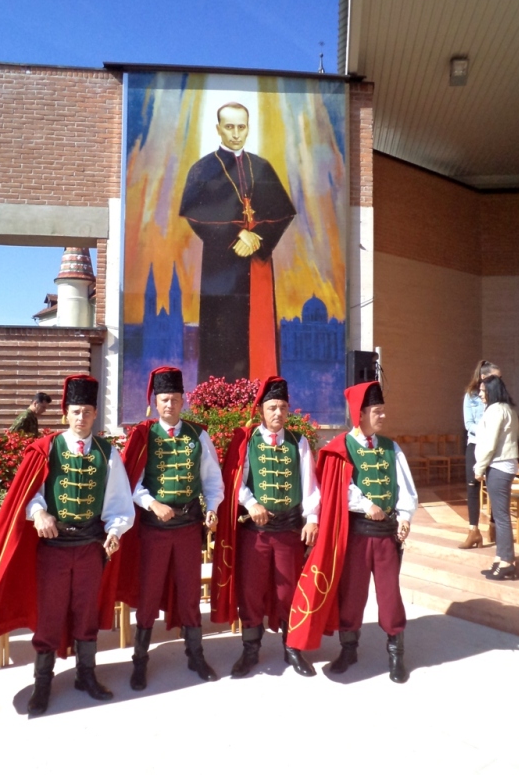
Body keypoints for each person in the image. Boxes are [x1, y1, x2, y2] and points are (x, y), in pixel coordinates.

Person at [0, 374, 135, 717]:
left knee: (86, 611)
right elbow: (28, 493)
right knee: (50, 614)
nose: (81, 418)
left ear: (95, 414)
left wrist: (115, 530)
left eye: (88, 412)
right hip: (54, 548)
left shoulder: (108, 454)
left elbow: (119, 500)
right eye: (76, 411)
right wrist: (39, 513)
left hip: (90, 547)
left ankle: (86, 676)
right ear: (66, 414)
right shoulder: (46, 448)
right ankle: (43, 683)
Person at [285, 381, 417, 684]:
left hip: (386, 536)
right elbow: (336, 488)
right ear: (361, 413)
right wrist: (366, 504)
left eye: (383, 410)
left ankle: (396, 654)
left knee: (390, 595)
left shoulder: (391, 447)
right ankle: (349, 650)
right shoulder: (339, 448)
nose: (383, 416)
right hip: (356, 535)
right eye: (377, 411)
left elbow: (405, 487)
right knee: (352, 595)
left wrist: (405, 517)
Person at [179, 102, 296, 384]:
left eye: (241, 127)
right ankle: (225, 397)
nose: (235, 133)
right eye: (229, 127)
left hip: (257, 261)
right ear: (218, 129)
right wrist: (236, 233)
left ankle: (262, 391)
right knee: (223, 333)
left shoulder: (261, 167)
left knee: (259, 330)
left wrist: (258, 237)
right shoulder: (203, 169)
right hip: (221, 267)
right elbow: (194, 213)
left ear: (248, 128)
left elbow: (283, 212)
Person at [211, 376, 320, 678]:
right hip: (255, 533)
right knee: (251, 591)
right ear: (261, 410)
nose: (278, 413)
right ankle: (250, 649)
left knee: (288, 592)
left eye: (283, 407)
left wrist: (312, 518)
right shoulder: (246, 440)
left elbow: (310, 484)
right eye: (272, 407)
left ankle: (292, 647)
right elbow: (233, 479)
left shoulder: (299, 442)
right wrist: (251, 503)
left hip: (288, 531)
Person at [123, 366, 224, 690]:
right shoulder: (144, 435)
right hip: (154, 529)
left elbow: (212, 480)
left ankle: (195, 655)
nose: (170, 404)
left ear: (183, 401)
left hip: (188, 527)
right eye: (164, 399)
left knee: (190, 592)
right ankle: (140, 660)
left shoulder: (198, 435)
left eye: (175, 399)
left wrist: (212, 508)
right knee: (149, 593)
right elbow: (132, 483)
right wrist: (153, 504)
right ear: (156, 402)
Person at [475, 375, 519, 580]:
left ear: (492, 391)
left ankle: (507, 562)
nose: (480, 394)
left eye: (482, 390)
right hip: (505, 464)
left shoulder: (495, 410)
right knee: (499, 514)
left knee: (501, 516)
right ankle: (500, 558)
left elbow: (490, 443)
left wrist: (479, 467)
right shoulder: (508, 409)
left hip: (499, 465)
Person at [460, 360, 501, 549]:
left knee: (494, 485)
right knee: (472, 487)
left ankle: (494, 525)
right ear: (483, 377)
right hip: (476, 443)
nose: (499, 380)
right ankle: (473, 531)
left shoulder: (499, 397)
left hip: (494, 446)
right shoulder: (471, 396)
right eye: (496, 377)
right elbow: (468, 424)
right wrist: (485, 431)